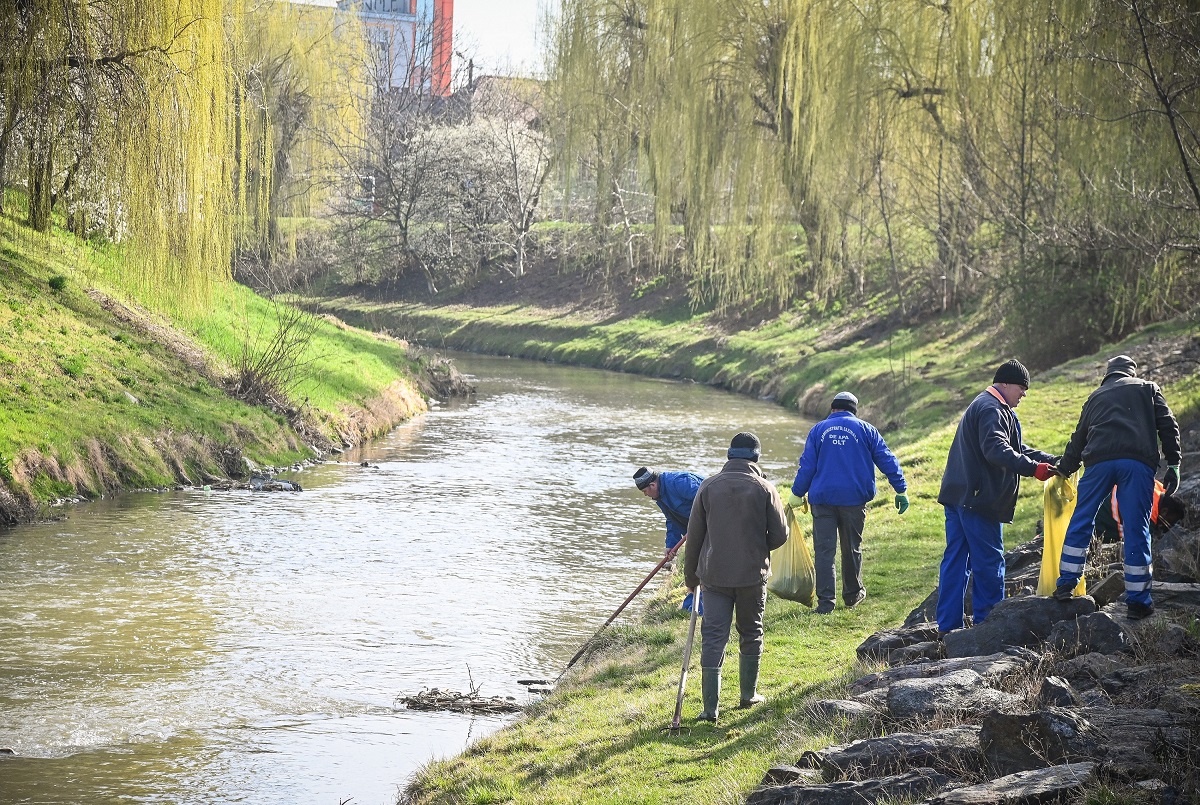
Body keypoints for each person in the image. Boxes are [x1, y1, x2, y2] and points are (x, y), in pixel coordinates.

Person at [1052, 355, 1181, 619]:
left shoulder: (1096, 397)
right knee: (1136, 527)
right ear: (1131, 372)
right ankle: (1138, 601)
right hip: (1136, 463)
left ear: (1108, 375)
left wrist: (1065, 468)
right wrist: (1174, 463)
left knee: (1081, 520)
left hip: (1098, 463)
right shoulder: (1148, 388)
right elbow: (1168, 425)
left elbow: (1078, 439)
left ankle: (1066, 584)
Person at [936, 359, 1058, 634]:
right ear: (1004, 383)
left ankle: (947, 627)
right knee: (989, 563)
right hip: (979, 501)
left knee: (955, 563)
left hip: (958, 496)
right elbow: (996, 450)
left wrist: (1049, 461)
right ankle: (988, 627)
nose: (1024, 394)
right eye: (1021, 388)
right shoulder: (992, 409)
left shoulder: (985, 404)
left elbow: (1015, 446)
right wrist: (1033, 469)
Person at [684, 432, 787, 722]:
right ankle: (747, 695)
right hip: (751, 575)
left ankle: (710, 709)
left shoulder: (708, 486)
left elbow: (694, 538)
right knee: (751, 631)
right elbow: (780, 534)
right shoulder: (765, 488)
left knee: (713, 637)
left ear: (729, 456)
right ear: (756, 458)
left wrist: (691, 578)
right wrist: (756, 547)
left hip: (714, 576)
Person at [789, 391, 908, 615]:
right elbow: (887, 459)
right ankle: (852, 595)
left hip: (822, 500)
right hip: (854, 499)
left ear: (833, 409)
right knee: (851, 547)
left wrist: (797, 492)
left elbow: (808, 465)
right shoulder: (866, 430)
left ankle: (826, 603)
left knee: (824, 550)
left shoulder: (818, 430)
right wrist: (900, 488)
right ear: (854, 410)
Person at [633, 466, 703, 558]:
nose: (645, 495)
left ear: (652, 485)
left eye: (645, 491)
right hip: (697, 530)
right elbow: (672, 520)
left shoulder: (679, 482)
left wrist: (699, 524)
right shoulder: (660, 497)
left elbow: (707, 499)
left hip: (714, 520)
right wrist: (671, 545)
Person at [1091, 479, 1186, 543]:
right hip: (1098, 516)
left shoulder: (1158, 487)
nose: (1167, 526)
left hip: (1097, 490)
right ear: (1164, 512)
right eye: (1169, 521)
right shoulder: (1148, 515)